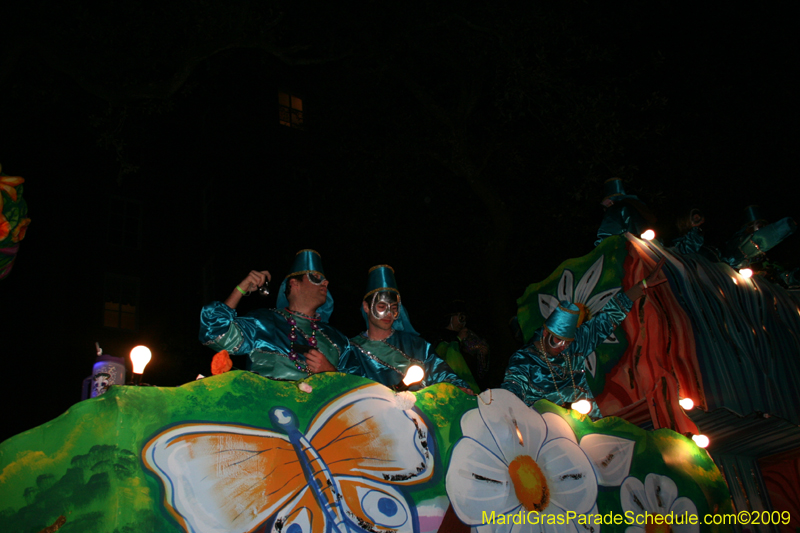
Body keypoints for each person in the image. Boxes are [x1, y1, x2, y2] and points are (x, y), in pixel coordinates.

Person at [501, 258, 667, 417]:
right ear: (545, 333)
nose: (563, 346)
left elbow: (606, 319)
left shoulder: (575, 345)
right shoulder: (524, 360)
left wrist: (641, 286)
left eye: (567, 342)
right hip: (546, 429)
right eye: (558, 340)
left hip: (586, 424)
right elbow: (512, 389)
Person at [199, 249, 355, 380]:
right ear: (294, 284)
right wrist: (240, 289)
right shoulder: (263, 322)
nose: (325, 283)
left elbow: (358, 393)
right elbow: (215, 333)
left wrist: (331, 373)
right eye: (316, 278)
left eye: (325, 280)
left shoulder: (338, 340)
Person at [349, 265, 473, 393]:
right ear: (366, 307)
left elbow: (444, 375)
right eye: (381, 306)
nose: (389, 313)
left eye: (394, 308)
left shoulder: (417, 346)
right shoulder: (351, 351)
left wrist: (457, 389)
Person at [432, 300, 490, 393]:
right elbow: (442, 359)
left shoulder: (468, 337)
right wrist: (458, 340)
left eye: (464, 318)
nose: (462, 322)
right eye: (460, 317)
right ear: (451, 317)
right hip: (451, 386)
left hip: (471, 388)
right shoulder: (439, 336)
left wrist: (482, 355)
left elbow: (477, 370)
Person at [595, 177, 657, 246]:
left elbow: (607, 235)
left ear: (609, 201)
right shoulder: (638, 207)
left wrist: (599, 248)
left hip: (626, 248)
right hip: (649, 248)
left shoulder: (615, 209)